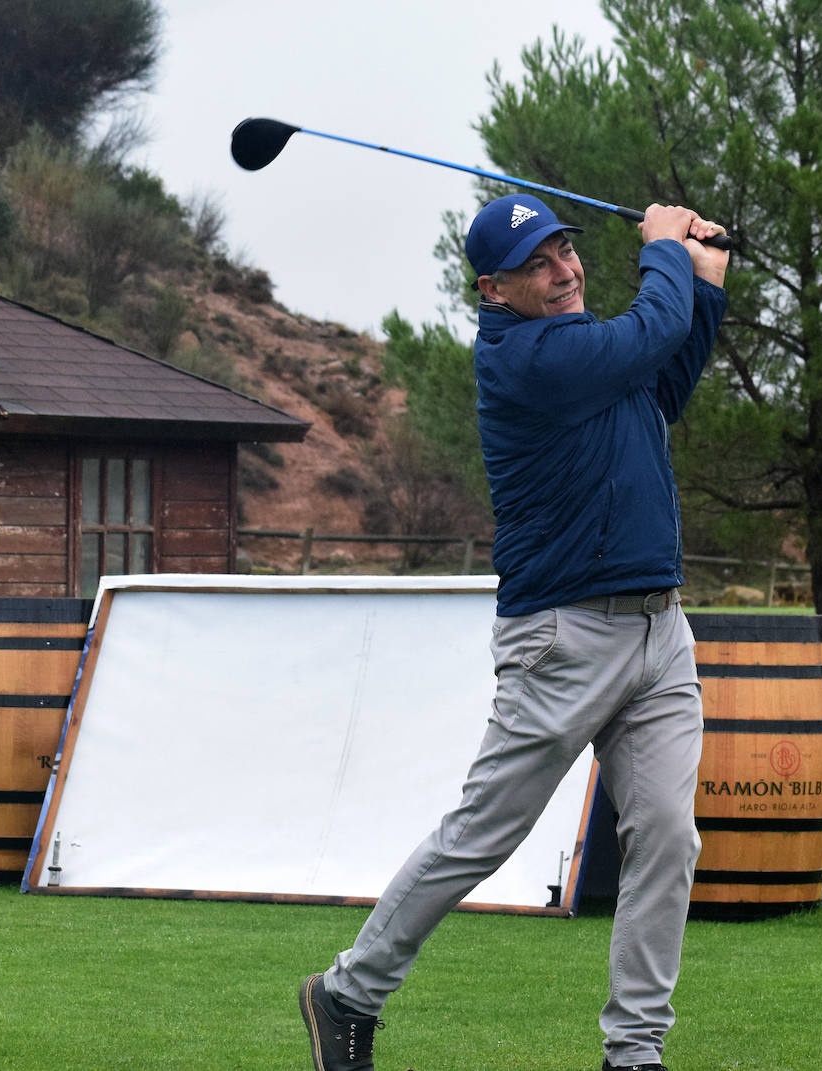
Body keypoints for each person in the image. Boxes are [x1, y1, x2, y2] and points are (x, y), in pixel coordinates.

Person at [298, 192, 729, 1071]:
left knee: (668, 834)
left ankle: (634, 1052)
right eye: (538, 265)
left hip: (659, 629)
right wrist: (665, 250)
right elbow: (648, 335)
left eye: (565, 252)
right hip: (561, 638)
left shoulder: (589, 354)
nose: (564, 271)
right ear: (494, 290)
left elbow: (665, 381)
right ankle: (349, 988)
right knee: (483, 834)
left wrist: (707, 283)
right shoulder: (528, 356)